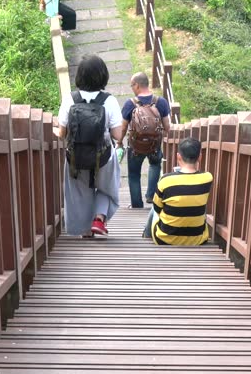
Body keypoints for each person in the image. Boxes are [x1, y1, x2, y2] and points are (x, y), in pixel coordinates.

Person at [58, 54, 123, 237]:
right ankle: (99, 218)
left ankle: (85, 230)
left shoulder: (69, 99)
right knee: (107, 187)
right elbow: (118, 134)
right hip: (102, 157)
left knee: (79, 192)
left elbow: (62, 133)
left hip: (76, 157)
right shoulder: (109, 100)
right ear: (103, 75)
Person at [143, 137, 212, 246]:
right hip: (198, 240)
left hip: (165, 239)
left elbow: (157, 208)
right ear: (200, 157)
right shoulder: (208, 178)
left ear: (178, 156)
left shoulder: (166, 180)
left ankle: (146, 234)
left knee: (155, 205)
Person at [119, 72, 171, 208]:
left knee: (134, 174)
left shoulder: (130, 104)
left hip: (136, 146)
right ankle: (151, 196)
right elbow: (167, 126)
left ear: (137, 85)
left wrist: (119, 142)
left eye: (132, 85)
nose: (132, 88)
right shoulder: (161, 102)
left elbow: (123, 127)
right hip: (154, 145)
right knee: (155, 165)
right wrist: (157, 136)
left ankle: (136, 204)